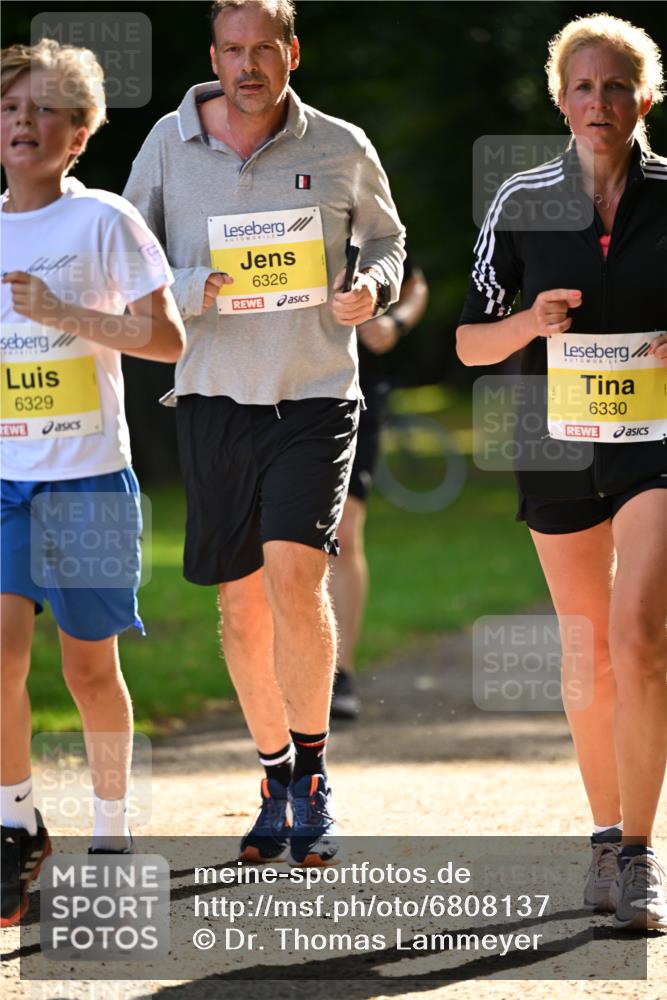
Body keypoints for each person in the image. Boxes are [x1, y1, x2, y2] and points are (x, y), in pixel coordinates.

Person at [123, 0, 404, 866]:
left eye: (264, 50)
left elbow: (387, 241)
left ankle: (314, 779)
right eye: (232, 51)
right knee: (240, 605)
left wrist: (374, 290)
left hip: (316, 394)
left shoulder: (341, 143)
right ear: (215, 54)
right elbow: (122, 255)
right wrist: (186, 281)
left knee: (294, 574)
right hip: (211, 396)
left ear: (292, 52)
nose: (248, 66)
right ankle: (274, 773)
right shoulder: (169, 143)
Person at [457, 13, 666, 930]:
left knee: (640, 635)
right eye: (582, 86)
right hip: (553, 442)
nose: (598, 101)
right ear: (559, 99)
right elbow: (467, 341)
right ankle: (601, 838)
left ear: (644, 97)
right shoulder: (519, 200)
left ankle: (641, 855)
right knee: (586, 651)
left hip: (655, 444)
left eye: (615, 85)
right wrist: (528, 325)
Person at [0, 39, 185, 926]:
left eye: (42, 110)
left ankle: (111, 832)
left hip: (89, 477)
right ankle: (14, 827)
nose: (21, 123)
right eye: (10, 108)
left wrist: (66, 313)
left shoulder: (105, 220)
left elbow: (167, 340)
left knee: (87, 667)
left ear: (78, 134)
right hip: (6, 479)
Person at [329, 256, 428, 719]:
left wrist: (396, 323)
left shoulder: (365, 201)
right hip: (276, 387)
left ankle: (339, 673)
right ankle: (285, 669)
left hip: (356, 389)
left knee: (344, 532)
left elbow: (415, 285)